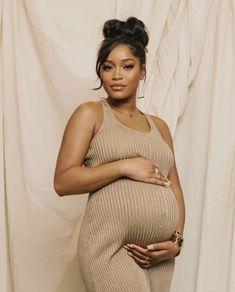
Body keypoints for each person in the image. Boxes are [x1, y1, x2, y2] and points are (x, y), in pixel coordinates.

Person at [54, 16, 185, 292]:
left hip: (158, 257)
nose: (116, 75)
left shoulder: (159, 126)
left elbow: (174, 188)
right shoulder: (91, 114)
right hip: (109, 247)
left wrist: (176, 241)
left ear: (142, 72)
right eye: (108, 67)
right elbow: (63, 181)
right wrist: (124, 166)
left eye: (127, 66)